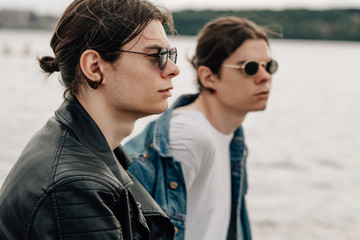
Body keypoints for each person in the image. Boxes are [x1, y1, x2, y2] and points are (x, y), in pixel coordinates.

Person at [0, 0, 180, 239]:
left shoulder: (76, 147)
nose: (172, 69)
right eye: (156, 55)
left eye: (170, 54)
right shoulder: (74, 187)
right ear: (94, 67)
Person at [124, 16, 279, 240]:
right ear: (208, 77)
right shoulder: (190, 135)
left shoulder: (232, 134)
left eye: (269, 66)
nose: (265, 77)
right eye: (250, 68)